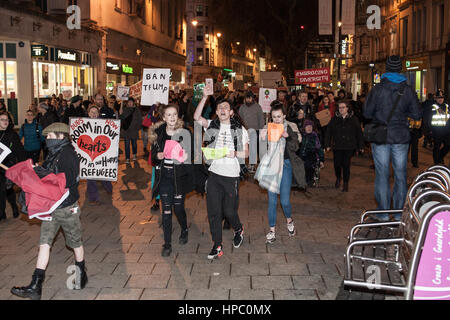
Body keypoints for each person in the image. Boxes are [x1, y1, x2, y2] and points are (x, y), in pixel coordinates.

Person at [10, 122, 87, 300]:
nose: (47, 140)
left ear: (61, 136)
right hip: (52, 207)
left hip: (67, 208)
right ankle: (35, 286)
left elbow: (65, 182)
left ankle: (81, 274)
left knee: (75, 243)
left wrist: (43, 173)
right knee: (44, 243)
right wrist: (38, 171)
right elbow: (49, 174)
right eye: (47, 137)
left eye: (50, 136)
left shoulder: (68, 154)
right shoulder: (55, 153)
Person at [363, 55, 421, 221]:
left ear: (386, 69)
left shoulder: (378, 89)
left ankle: (382, 212)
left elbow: (367, 113)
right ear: (400, 69)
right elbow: (417, 113)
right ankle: (397, 212)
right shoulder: (407, 89)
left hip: (381, 136)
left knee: (382, 174)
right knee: (401, 175)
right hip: (400, 136)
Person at [194, 91, 248, 260]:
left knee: (229, 212)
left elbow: (246, 153)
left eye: (226, 107)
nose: (223, 109)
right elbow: (196, 117)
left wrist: (235, 153)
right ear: (216, 112)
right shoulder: (211, 125)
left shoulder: (240, 129)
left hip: (231, 176)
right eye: (220, 107)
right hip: (214, 176)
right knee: (214, 212)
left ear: (231, 112)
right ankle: (217, 245)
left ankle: (238, 228)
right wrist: (204, 97)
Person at [256, 102, 306, 244]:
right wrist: (262, 136)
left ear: (284, 116)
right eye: (274, 117)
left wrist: (287, 136)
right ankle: (272, 230)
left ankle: (289, 220)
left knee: (284, 201)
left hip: (286, 165)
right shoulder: (268, 127)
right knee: (272, 201)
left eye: (279, 116)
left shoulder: (291, 127)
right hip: (272, 166)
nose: (276, 119)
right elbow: (261, 144)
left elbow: (296, 145)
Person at [149, 104, 194, 256]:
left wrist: (185, 156)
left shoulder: (185, 133)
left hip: (179, 177)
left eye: (174, 114)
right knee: (166, 211)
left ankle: (184, 229)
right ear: (164, 118)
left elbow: (191, 154)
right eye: (169, 115)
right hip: (164, 177)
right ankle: (167, 244)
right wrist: (158, 155)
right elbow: (153, 156)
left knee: (178, 208)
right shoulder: (158, 134)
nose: (172, 117)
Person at [325, 101, 364, 192]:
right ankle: (338, 177)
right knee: (337, 164)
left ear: (347, 108)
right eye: (340, 107)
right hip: (337, 145)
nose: (341, 109)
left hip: (349, 146)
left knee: (346, 165)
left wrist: (360, 146)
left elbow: (359, 133)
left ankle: (346, 183)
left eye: (343, 107)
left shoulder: (354, 119)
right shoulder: (334, 119)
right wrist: (327, 144)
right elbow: (328, 132)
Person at [0, 112, 26, 221]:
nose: (5, 121)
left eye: (7, 120)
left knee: (7, 189)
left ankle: (14, 206)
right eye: (2, 119)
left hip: (8, 167)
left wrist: (21, 165)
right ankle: (1, 213)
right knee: (1, 190)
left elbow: (19, 151)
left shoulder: (12, 134)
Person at [85, 105, 113, 205]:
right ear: (88, 113)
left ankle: (109, 188)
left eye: (95, 112)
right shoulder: (84, 124)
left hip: (101, 153)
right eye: (91, 112)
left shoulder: (104, 124)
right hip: (89, 154)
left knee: (103, 173)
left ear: (99, 113)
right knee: (90, 175)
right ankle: (93, 198)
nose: (93, 114)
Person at [238, 91, 265, 173]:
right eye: (247, 97)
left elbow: (261, 119)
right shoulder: (242, 107)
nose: (248, 99)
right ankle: (242, 165)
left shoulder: (258, 107)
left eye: (250, 97)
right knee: (243, 148)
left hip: (255, 131)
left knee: (253, 149)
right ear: (245, 98)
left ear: (253, 98)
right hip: (245, 131)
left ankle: (252, 165)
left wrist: (261, 130)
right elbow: (239, 118)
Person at [297, 120, 324, 187]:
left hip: (311, 156)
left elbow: (319, 148)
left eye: (310, 127)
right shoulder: (301, 136)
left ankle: (308, 181)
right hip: (301, 155)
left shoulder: (315, 137)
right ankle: (301, 180)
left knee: (308, 166)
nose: (309, 128)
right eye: (307, 126)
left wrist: (321, 160)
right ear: (304, 128)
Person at [429, 90, 450, 165]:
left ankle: (440, 157)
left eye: (441, 97)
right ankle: (437, 163)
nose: (440, 99)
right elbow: (428, 119)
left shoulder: (447, 106)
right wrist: (430, 130)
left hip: (446, 131)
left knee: (448, 145)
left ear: (444, 98)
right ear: (436, 99)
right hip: (436, 131)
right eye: (438, 98)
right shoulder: (433, 107)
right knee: (436, 148)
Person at [120, 97, 142, 163]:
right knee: (126, 145)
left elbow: (140, 119)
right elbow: (122, 119)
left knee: (134, 144)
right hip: (126, 131)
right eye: (128, 102)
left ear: (133, 103)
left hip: (134, 131)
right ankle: (127, 158)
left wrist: (137, 128)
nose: (130, 103)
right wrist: (120, 113)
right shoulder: (125, 109)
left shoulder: (137, 110)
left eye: (131, 102)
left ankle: (134, 154)